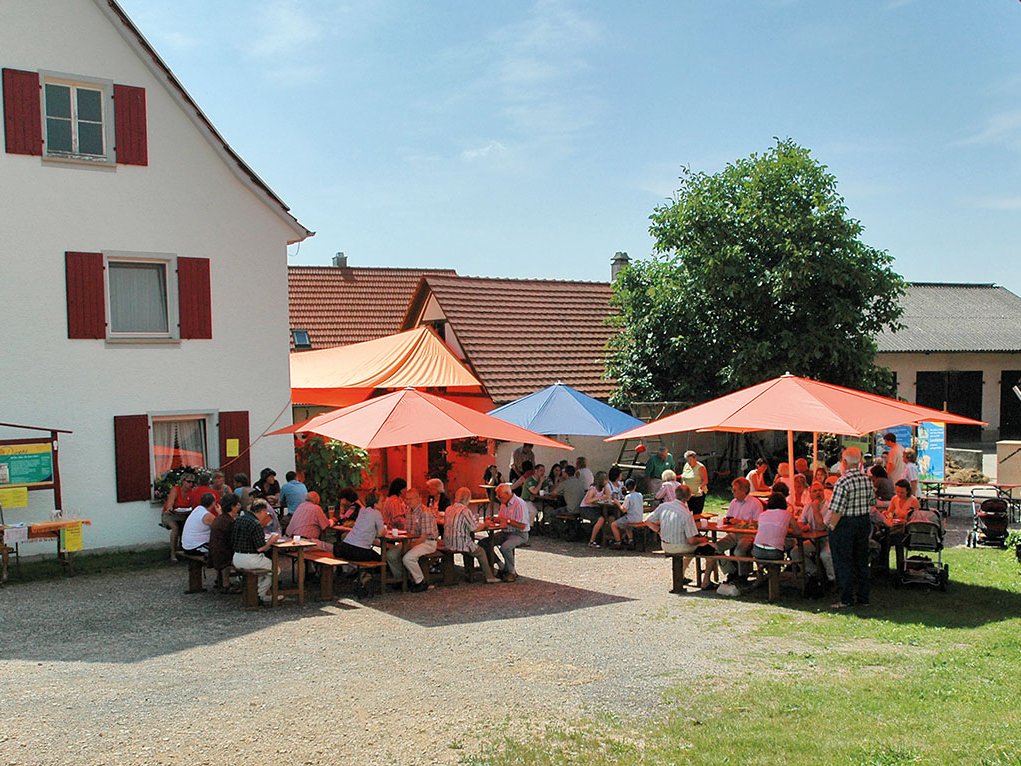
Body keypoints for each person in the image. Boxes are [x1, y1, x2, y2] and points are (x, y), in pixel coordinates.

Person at [827, 447, 875, 609]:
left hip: (845, 523)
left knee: (843, 561)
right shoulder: (867, 479)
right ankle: (863, 597)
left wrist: (832, 526)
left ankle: (846, 598)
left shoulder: (842, 481)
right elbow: (872, 501)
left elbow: (837, 509)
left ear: (844, 462)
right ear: (860, 461)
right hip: (863, 521)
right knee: (861, 560)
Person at [442, 487, 500, 584]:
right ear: (467, 498)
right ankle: (489, 576)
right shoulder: (465, 511)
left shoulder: (448, 509)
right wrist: (485, 524)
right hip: (460, 543)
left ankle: (470, 572)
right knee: (481, 551)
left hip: (448, 542)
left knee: (471, 547)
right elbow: (474, 528)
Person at [231, 499, 282, 606]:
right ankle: (259, 594)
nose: (266, 515)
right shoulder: (256, 524)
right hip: (250, 559)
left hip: (236, 557)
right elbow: (260, 548)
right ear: (262, 511)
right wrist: (271, 540)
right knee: (275, 569)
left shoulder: (239, 519)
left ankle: (256, 592)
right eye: (266, 512)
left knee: (263, 571)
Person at [479, 484, 529, 582]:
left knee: (505, 547)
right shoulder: (503, 502)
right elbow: (502, 519)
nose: (498, 498)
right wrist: (494, 519)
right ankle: (500, 565)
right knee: (483, 543)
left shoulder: (519, 504)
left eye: (500, 496)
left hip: (519, 533)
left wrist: (508, 521)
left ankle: (511, 572)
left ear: (507, 494)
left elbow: (522, 525)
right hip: (505, 531)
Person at [715, 478, 762, 582]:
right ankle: (731, 571)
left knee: (739, 551)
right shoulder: (733, 502)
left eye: (735, 490)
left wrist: (740, 522)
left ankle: (742, 576)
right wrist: (727, 521)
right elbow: (729, 517)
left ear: (744, 490)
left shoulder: (755, 503)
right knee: (716, 547)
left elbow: (758, 523)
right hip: (734, 533)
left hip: (749, 534)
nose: (732, 492)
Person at [793, 481, 835, 584]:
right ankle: (814, 573)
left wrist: (816, 509)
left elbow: (821, 527)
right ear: (810, 494)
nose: (818, 493)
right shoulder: (808, 506)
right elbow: (800, 522)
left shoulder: (830, 507)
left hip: (829, 539)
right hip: (814, 540)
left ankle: (833, 580)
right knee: (795, 552)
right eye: (815, 491)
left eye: (820, 490)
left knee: (825, 555)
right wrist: (803, 527)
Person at [400, 488, 440, 593]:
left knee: (408, 558)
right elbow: (407, 531)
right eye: (406, 499)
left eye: (410, 499)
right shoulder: (408, 511)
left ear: (419, 499)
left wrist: (409, 546)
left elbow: (424, 537)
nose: (408, 501)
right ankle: (401, 579)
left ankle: (420, 581)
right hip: (412, 541)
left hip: (428, 542)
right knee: (391, 554)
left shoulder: (425, 512)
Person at [334, 492, 384, 564]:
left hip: (345, 547)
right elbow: (381, 533)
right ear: (375, 504)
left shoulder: (362, 510)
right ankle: (379, 571)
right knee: (382, 558)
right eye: (381, 501)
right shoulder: (377, 513)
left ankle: (357, 570)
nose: (383, 503)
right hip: (359, 551)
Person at [208, 492, 241, 591]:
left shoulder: (220, 518)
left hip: (213, 552)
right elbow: (234, 541)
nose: (239, 506)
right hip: (223, 554)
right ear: (232, 507)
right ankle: (226, 585)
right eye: (237, 504)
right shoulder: (229, 522)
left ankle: (222, 581)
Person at [752, 493, 798, 560]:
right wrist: (785, 530)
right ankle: (792, 563)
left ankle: (762, 566)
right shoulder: (788, 514)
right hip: (774, 551)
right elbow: (798, 532)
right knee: (793, 542)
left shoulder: (762, 514)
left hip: (757, 549)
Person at [161, 472, 195, 561]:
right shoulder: (176, 489)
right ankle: (173, 553)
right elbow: (170, 504)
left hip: (184, 514)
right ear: (183, 481)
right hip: (171, 514)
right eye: (188, 481)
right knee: (175, 528)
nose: (191, 484)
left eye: (192, 482)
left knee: (188, 528)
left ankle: (186, 550)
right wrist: (170, 507)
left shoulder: (192, 492)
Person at [582, 471, 614, 548]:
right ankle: (592, 541)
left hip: (596, 507)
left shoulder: (603, 488)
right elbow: (587, 501)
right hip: (586, 508)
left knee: (610, 517)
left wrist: (606, 486)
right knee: (601, 519)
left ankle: (608, 537)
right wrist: (599, 498)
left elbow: (608, 495)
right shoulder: (593, 489)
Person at [610, 478, 644, 547]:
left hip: (631, 519)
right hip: (640, 518)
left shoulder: (628, 497)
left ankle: (618, 541)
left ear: (626, 488)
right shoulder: (640, 495)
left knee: (613, 524)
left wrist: (617, 503)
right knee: (627, 525)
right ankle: (630, 540)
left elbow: (623, 510)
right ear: (635, 486)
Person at [681, 450, 709, 516]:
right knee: (686, 514)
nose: (689, 462)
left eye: (690, 460)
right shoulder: (686, 465)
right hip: (687, 495)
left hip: (697, 495)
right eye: (687, 460)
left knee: (696, 515)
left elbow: (705, 481)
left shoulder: (700, 467)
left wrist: (700, 487)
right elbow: (683, 476)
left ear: (695, 458)